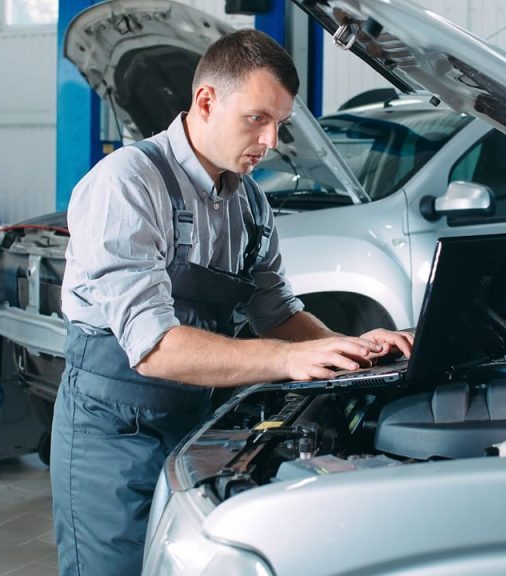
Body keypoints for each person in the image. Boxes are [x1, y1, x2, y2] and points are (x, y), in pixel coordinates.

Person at [50, 29, 412, 576]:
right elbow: (153, 349)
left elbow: (278, 312)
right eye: (257, 119)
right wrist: (286, 361)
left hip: (195, 424)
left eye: (280, 124)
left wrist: (352, 348)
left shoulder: (250, 204)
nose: (270, 141)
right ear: (206, 102)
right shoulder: (126, 183)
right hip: (111, 431)